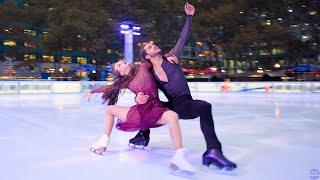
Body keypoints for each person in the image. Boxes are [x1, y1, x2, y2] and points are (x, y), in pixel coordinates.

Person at [129, 2, 237, 171]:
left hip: (185, 104)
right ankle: (142, 136)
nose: (154, 45)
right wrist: (138, 97)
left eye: (152, 44)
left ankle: (213, 151)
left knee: (204, 107)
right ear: (147, 56)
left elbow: (183, 38)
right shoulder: (149, 72)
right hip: (172, 105)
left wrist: (189, 17)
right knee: (144, 106)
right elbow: (141, 87)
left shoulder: (171, 57)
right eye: (150, 47)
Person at [85, 59, 195, 174]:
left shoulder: (142, 66)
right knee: (109, 109)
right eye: (119, 64)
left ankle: (178, 157)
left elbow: (157, 58)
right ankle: (103, 142)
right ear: (121, 73)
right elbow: (109, 88)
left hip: (155, 108)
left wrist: (169, 56)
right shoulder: (125, 81)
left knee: (173, 116)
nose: (122, 61)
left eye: (120, 61)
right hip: (140, 112)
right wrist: (93, 91)